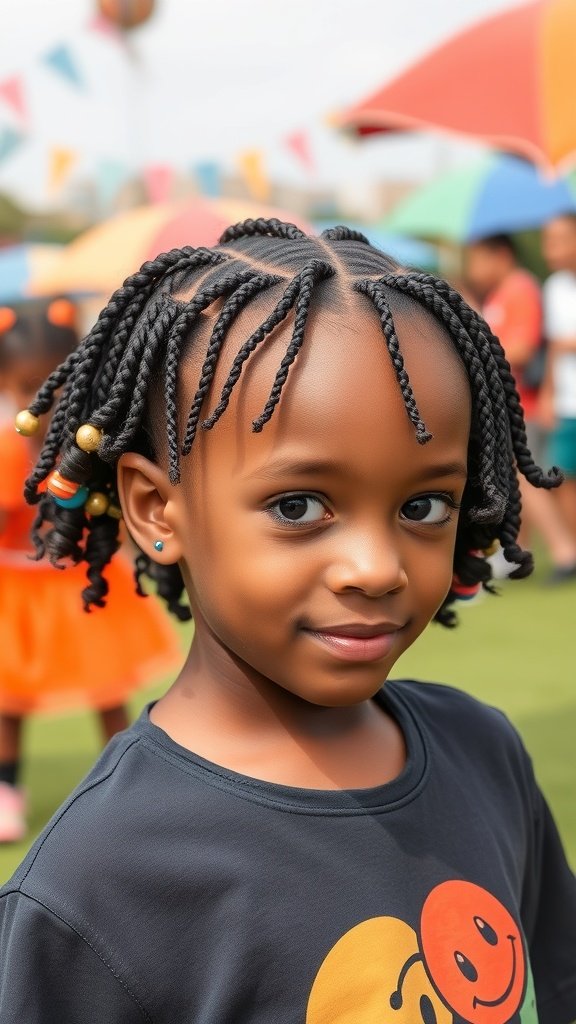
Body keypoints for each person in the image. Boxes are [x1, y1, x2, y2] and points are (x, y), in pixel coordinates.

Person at [0, 222, 574, 1023]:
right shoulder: (95, 882)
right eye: (298, 506)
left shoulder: (487, 757)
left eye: (423, 505)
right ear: (155, 508)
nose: (376, 567)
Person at [0, 298, 182, 843]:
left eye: (54, 390)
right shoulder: (9, 451)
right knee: (8, 700)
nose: (44, 402)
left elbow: (114, 509)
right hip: (18, 591)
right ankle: (6, 791)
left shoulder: (88, 443)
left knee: (107, 688)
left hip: (80, 583)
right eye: (29, 386)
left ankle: (129, 783)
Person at [465, 234, 576, 582]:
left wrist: (480, 359)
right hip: (509, 405)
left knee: (528, 480)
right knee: (518, 482)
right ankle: (517, 552)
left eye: (478, 258)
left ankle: (563, 552)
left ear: (501, 255)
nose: (474, 268)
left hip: (523, 405)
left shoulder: (520, 288)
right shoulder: (501, 293)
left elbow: (523, 348)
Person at [540, 214, 576, 559]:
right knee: (563, 476)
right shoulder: (553, 287)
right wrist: (549, 393)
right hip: (567, 401)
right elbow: (553, 345)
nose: (551, 249)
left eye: (560, 238)